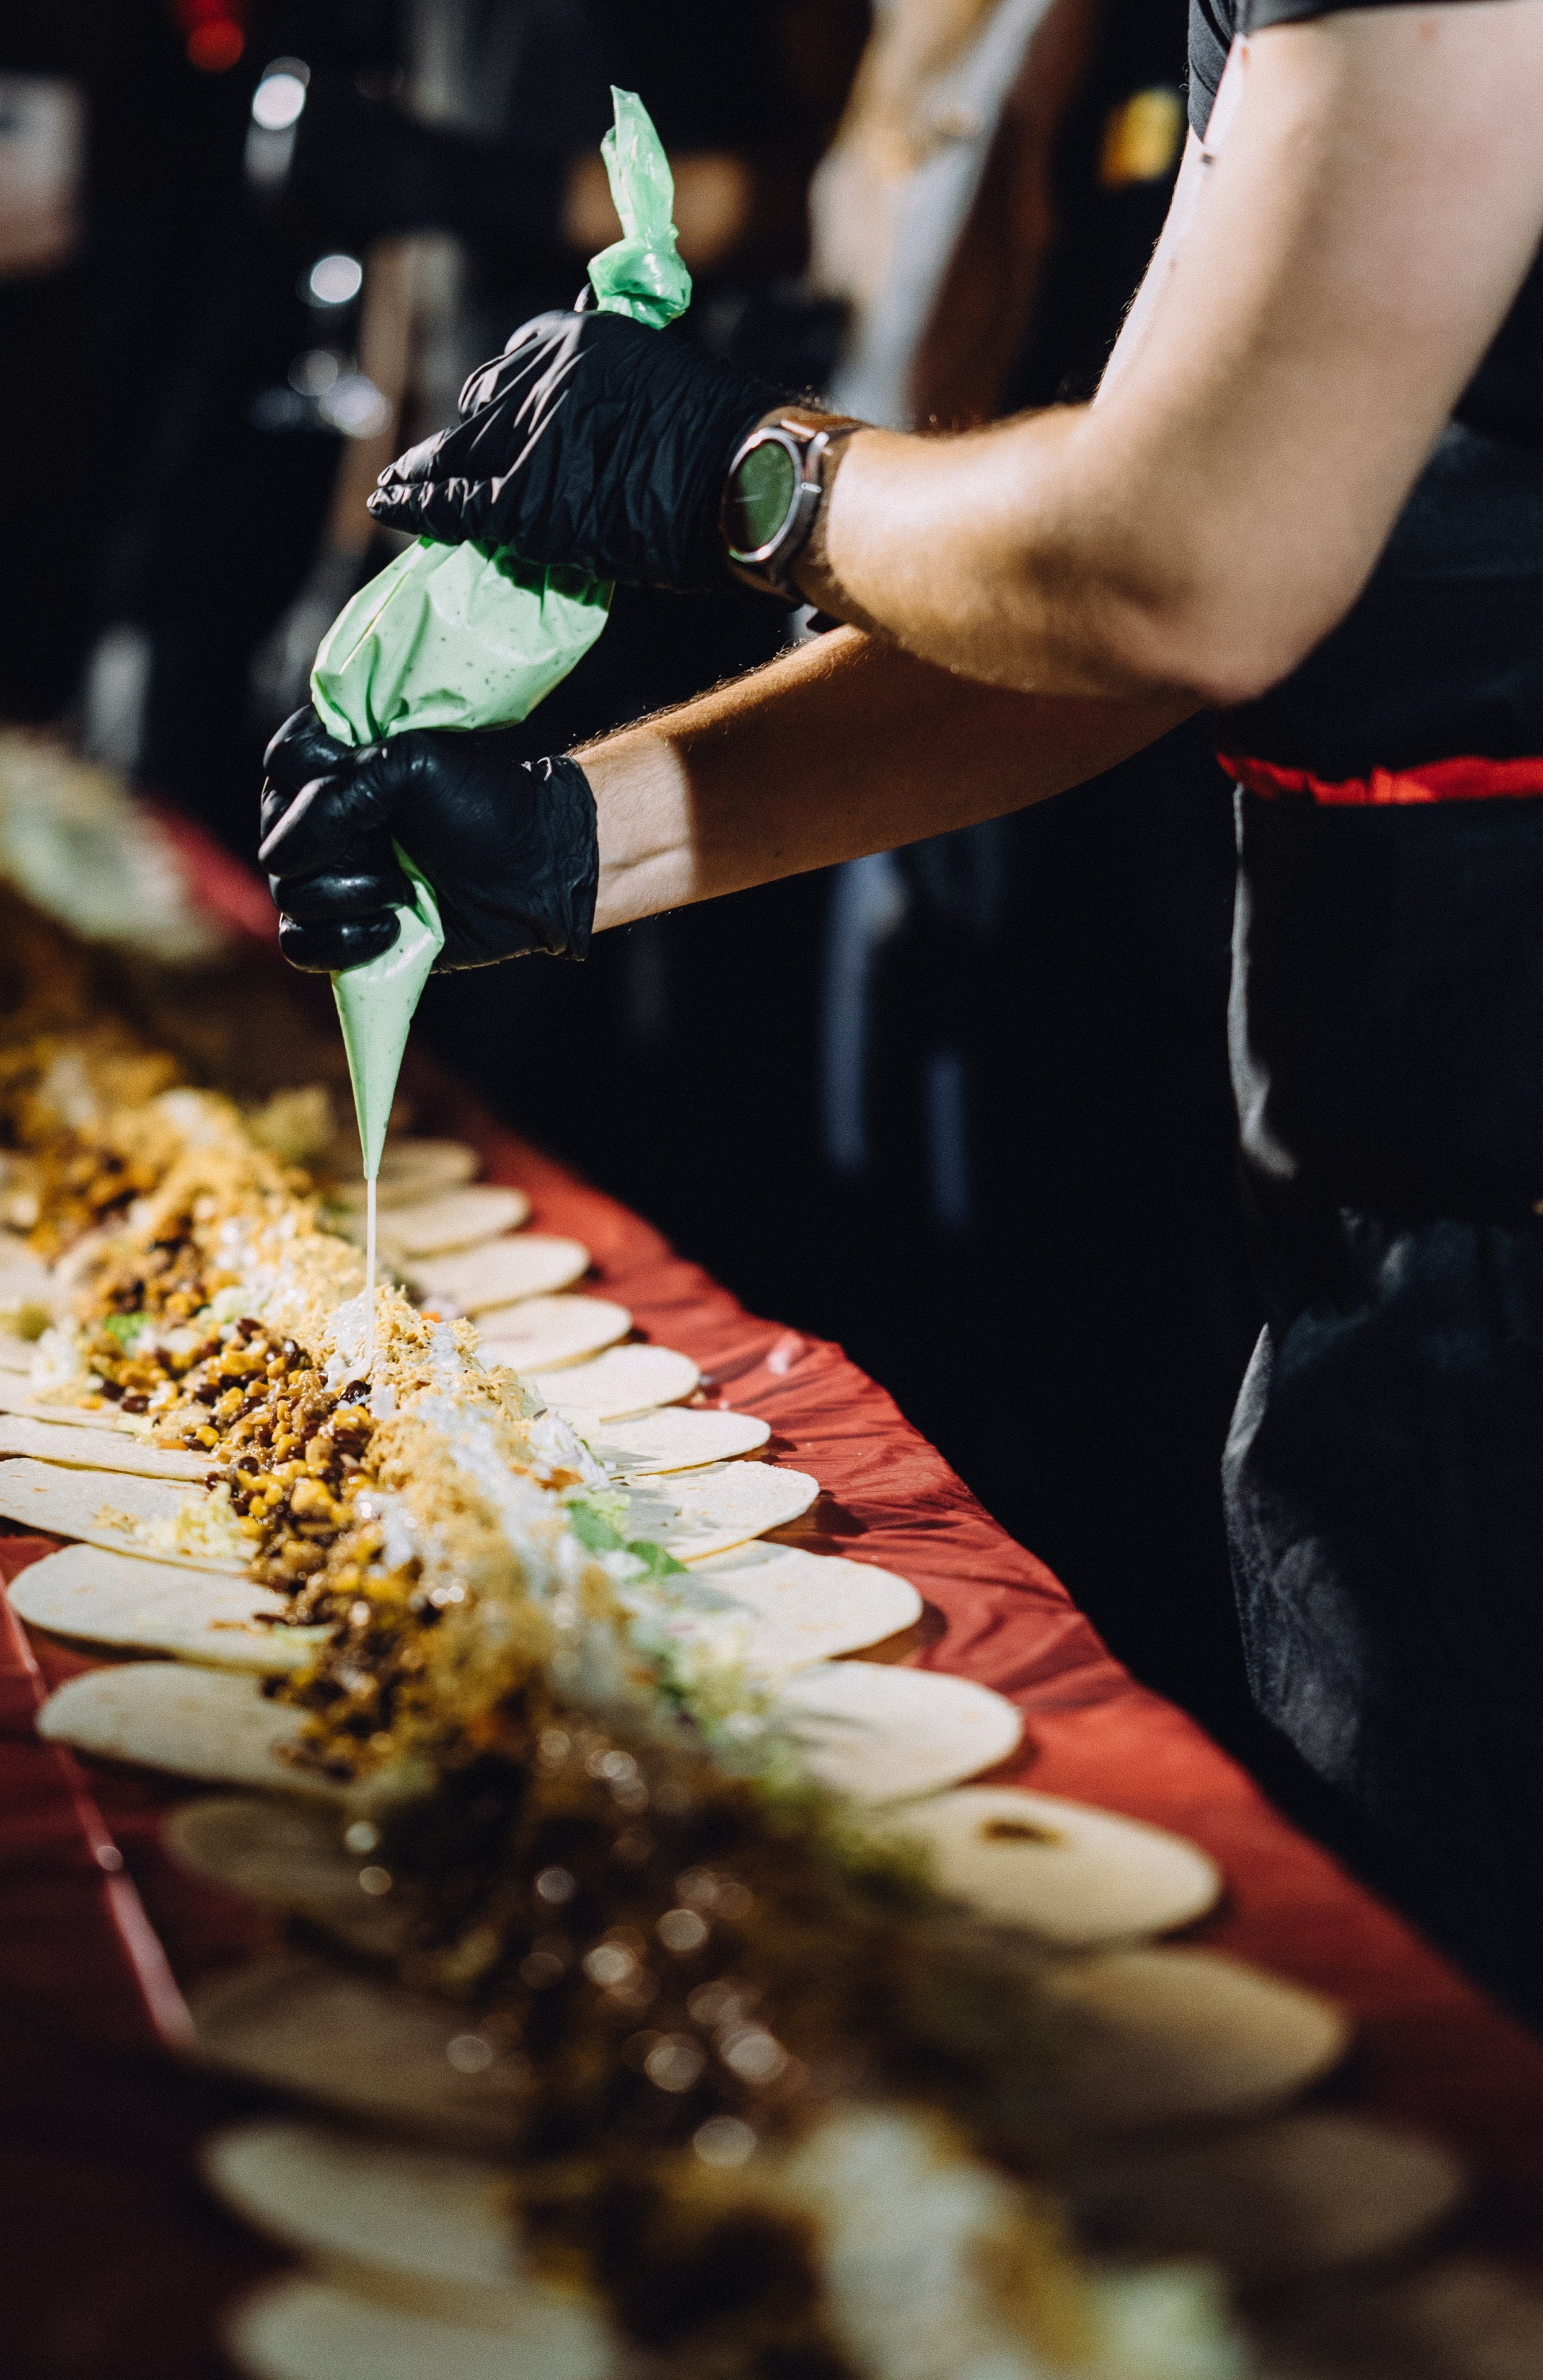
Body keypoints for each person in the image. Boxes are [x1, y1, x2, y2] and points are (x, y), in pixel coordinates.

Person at [260, 2, 1543, 2022]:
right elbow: (1197, 558)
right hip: (1392, 1153)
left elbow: (1192, 564)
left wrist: (733, 470)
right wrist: (585, 836)